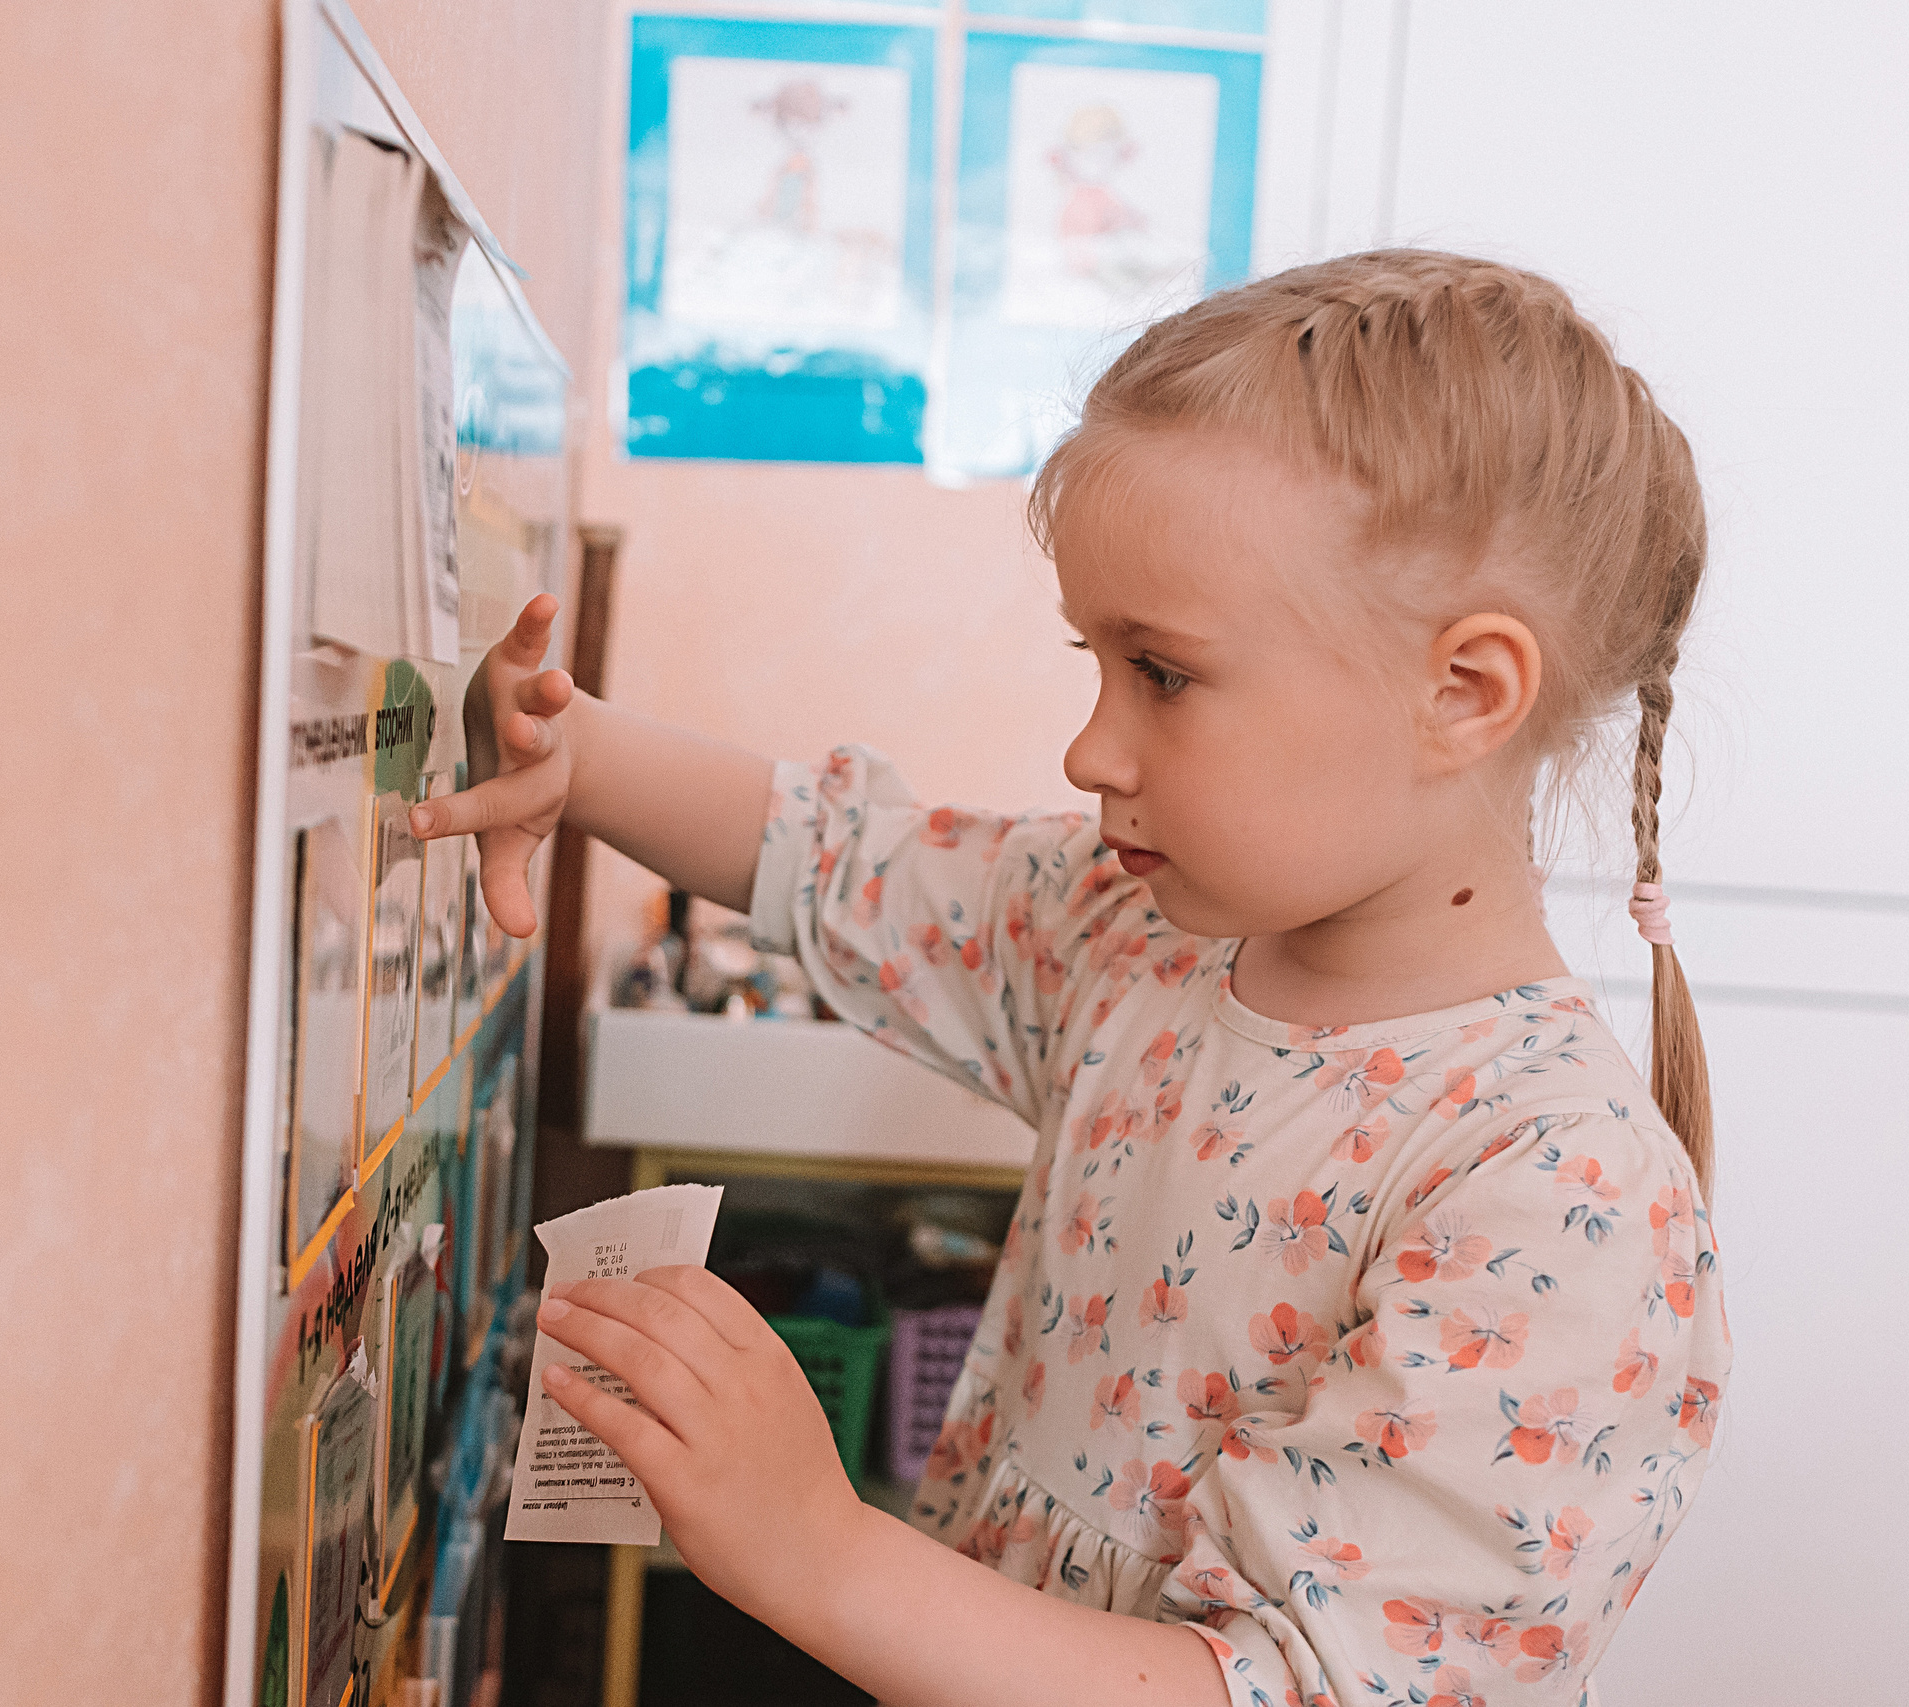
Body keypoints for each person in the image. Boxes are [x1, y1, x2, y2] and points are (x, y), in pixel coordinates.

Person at [427, 250, 1732, 1707]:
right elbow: (833, 855)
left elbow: (1292, 1689)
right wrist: (574, 755)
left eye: (1161, 674)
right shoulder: (1141, 934)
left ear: (1464, 693)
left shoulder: (1556, 1189)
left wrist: (818, 1549)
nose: (1089, 749)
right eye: (1096, 664)